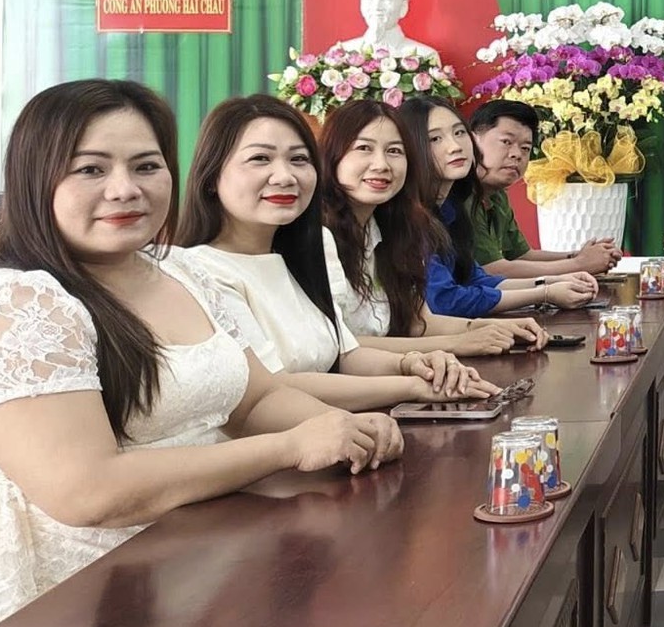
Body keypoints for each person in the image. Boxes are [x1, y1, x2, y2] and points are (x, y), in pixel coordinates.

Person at [0, 80, 402, 627]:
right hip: (86, 610)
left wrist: (342, 428)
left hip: (203, 564)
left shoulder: (180, 270)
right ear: (34, 179)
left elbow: (256, 398)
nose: (125, 189)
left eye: (146, 166)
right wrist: (292, 446)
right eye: (91, 169)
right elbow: (87, 492)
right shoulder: (18, 302)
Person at [170, 96, 498, 412]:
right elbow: (269, 389)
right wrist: (411, 384)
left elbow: (344, 352)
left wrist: (412, 363)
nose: (285, 176)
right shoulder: (200, 271)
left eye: (299, 159)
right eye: (260, 159)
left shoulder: (307, 249)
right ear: (211, 175)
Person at [316, 102, 544, 356]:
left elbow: (418, 322)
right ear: (332, 155)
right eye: (364, 148)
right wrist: (457, 342)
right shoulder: (318, 237)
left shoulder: (400, 226)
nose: (381, 164)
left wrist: (493, 328)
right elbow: (338, 345)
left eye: (394, 151)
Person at [399, 98, 597, 319]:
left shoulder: (449, 209)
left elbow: (476, 279)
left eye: (459, 133)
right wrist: (545, 292)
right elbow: (445, 301)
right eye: (435, 138)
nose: (455, 146)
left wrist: (553, 282)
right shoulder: (408, 217)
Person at [467, 100, 617, 278]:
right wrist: (580, 264)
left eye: (525, 148)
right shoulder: (461, 195)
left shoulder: (497, 195)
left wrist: (579, 256)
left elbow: (522, 256)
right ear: (471, 141)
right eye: (506, 142)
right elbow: (493, 270)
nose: (517, 154)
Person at [336, 0, 439, 62]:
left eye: (386, 0)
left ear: (403, 8)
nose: (376, 7)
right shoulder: (341, 54)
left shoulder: (425, 56)